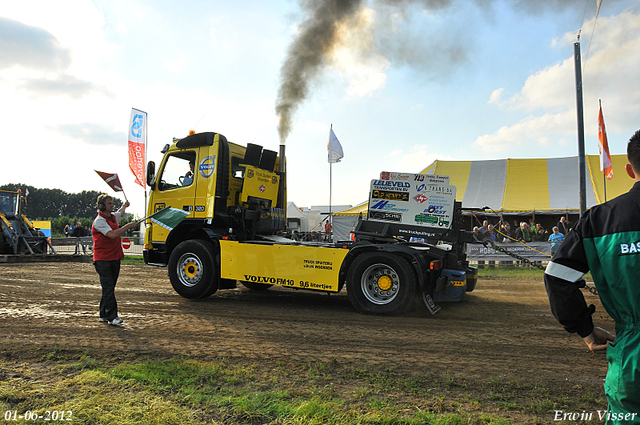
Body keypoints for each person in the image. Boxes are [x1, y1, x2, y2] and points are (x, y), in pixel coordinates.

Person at [544, 129, 640, 421]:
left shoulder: (600, 219)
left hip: (633, 357)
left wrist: (584, 328)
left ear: (629, 169)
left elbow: (557, 276)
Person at [92, 194, 138, 326]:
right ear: (101, 206)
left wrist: (124, 206)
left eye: (112, 203)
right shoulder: (100, 221)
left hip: (114, 257)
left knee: (109, 288)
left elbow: (120, 213)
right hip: (103, 259)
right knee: (108, 288)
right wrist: (128, 226)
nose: (112, 205)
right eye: (109, 203)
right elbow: (112, 234)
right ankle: (112, 317)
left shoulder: (112, 217)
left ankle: (103, 314)